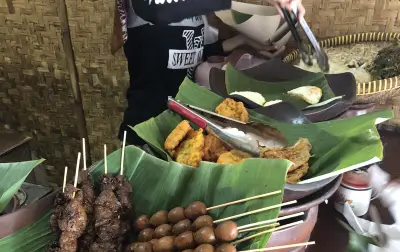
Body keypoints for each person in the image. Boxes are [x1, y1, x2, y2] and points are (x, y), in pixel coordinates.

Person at [112, 0, 306, 145]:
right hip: (145, 135)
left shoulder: (197, 12)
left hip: (187, 129)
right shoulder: (151, 6)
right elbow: (159, 12)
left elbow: (200, 51)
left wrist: (244, 43)